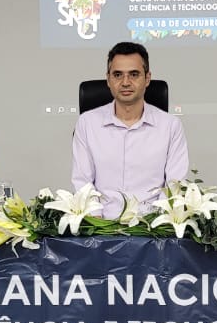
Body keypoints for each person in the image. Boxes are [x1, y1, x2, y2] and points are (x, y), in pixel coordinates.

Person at [71, 42, 189, 218]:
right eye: (118, 75)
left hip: (152, 226)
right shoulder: (87, 123)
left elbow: (174, 185)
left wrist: (158, 225)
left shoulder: (171, 126)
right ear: (108, 79)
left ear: (147, 78)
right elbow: (83, 183)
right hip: (102, 225)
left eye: (134, 74)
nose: (125, 82)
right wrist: (99, 227)